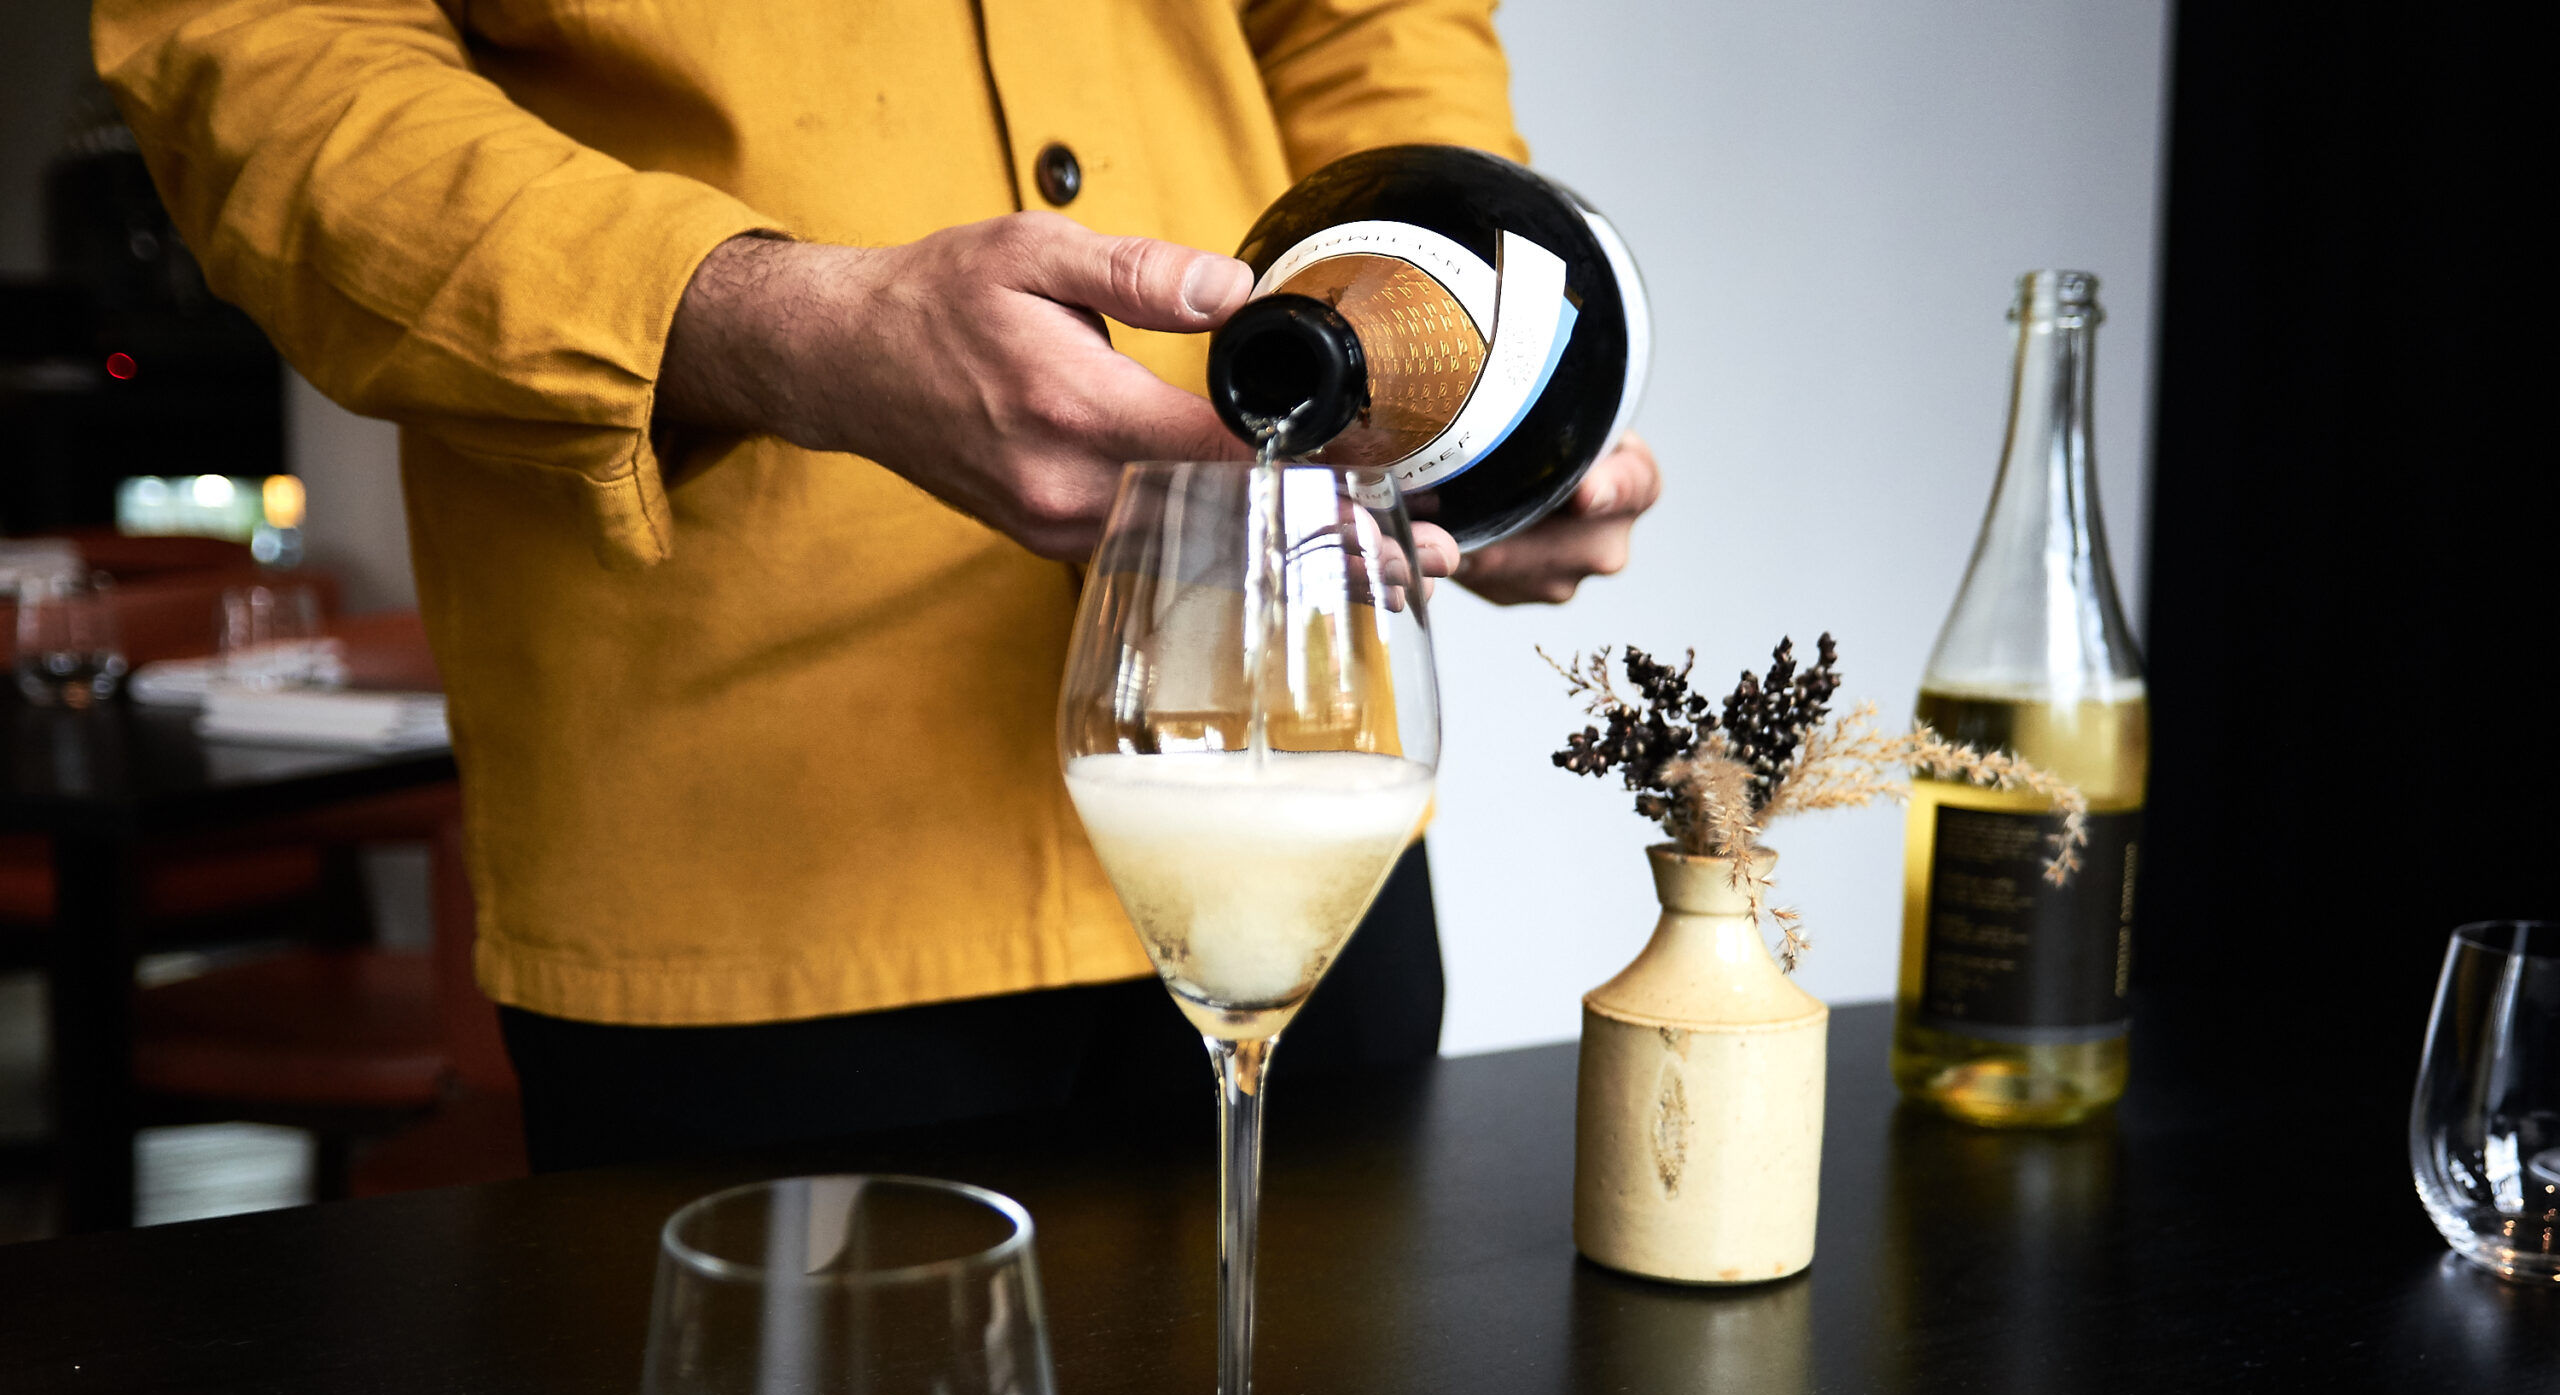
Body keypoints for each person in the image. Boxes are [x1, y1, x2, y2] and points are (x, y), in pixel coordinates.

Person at [96, 0, 1662, 1167]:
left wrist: (1464, 366)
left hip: (1290, 756)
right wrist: (772, 325)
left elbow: (1367, 23)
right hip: (751, 847)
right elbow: (262, 60)